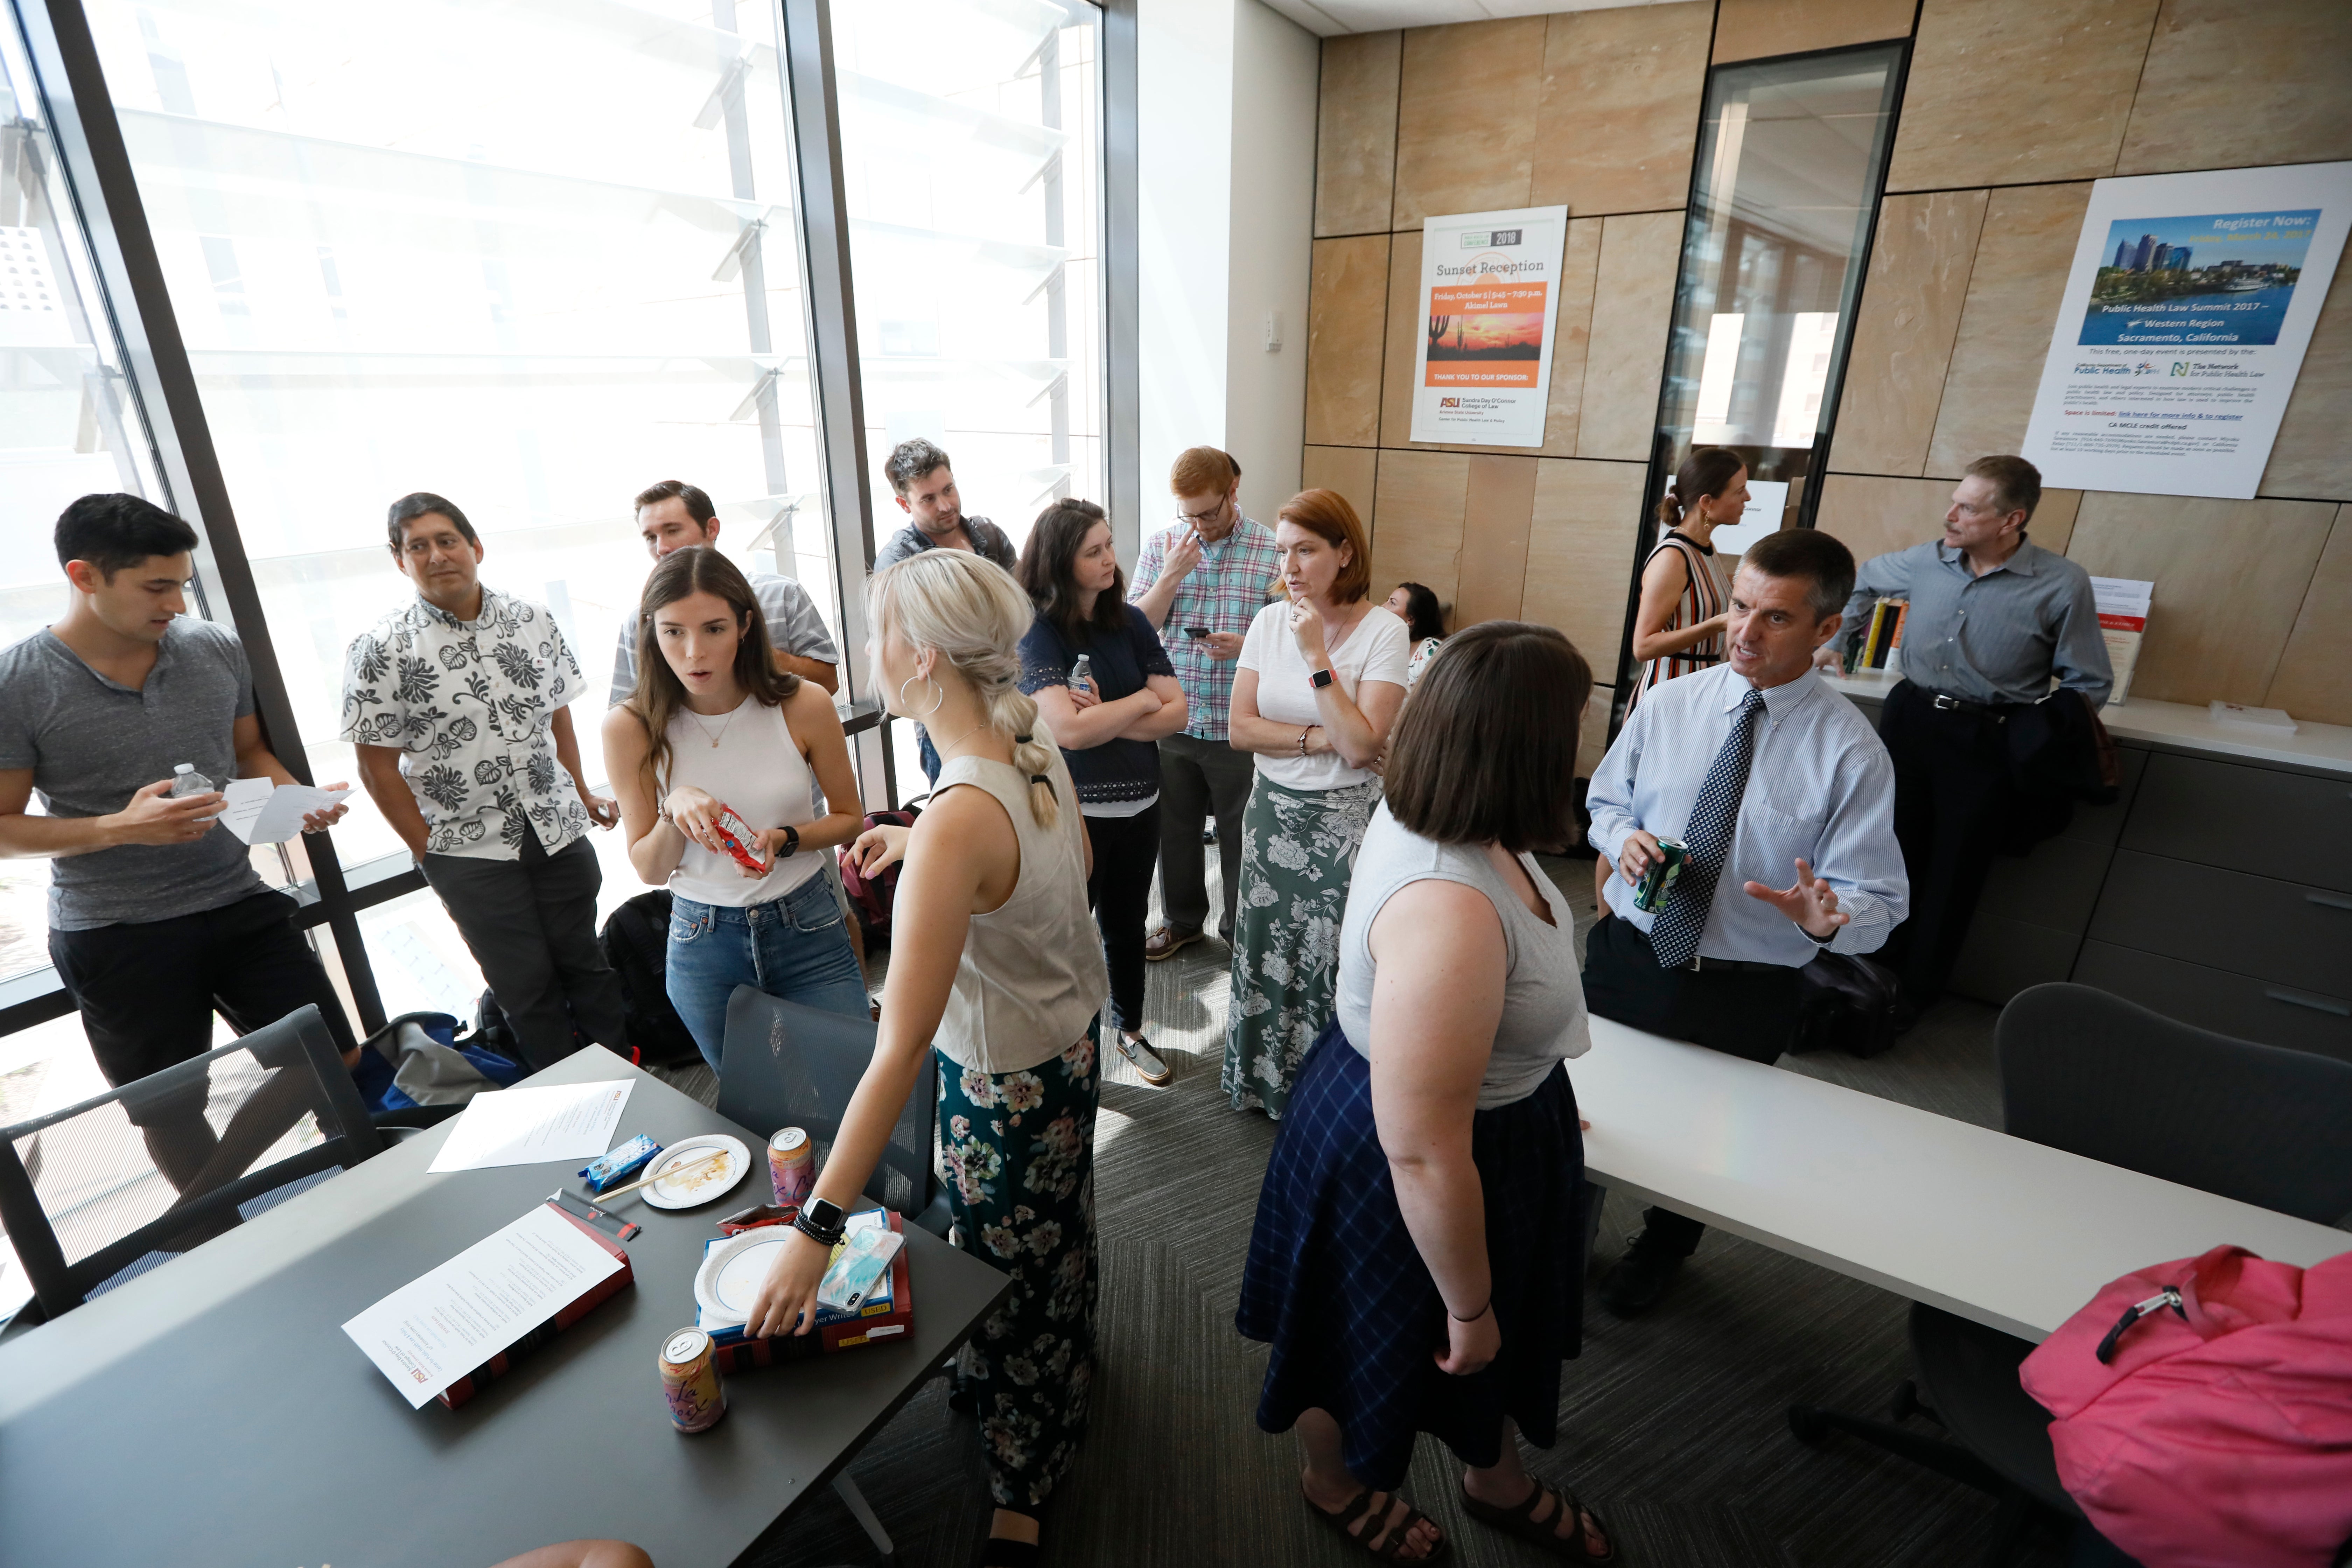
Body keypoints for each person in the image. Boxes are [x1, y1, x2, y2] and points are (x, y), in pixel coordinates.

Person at [744, 549, 1107, 1568]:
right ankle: (1064, 1374)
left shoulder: (954, 820)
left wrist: (817, 1225)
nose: (868, 651)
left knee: (1001, 1268)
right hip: (1067, 1046)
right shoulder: (1023, 731)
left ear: (925, 658)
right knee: (1056, 1239)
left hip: (1001, 1085)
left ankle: (1024, 1473)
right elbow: (1068, 864)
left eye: (878, 632)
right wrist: (934, 857)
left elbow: (897, 1048)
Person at [1238, 621, 1615, 1566]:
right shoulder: (1446, 902)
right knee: (1365, 1333)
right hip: (1410, 1153)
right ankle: (1333, 1483)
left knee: (1465, 1335)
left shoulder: (1462, 818)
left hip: (1476, 1121)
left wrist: (1533, 1088)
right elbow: (1421, 1149)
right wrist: (1471, 1302)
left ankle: (1494, 1477)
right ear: (1528, 745)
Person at [1583, 527, 1907, 1317]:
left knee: (1707, 1140)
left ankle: (1665, 1244)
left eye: (1776, 619)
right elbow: (1605, 800)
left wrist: (1829, 919)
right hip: (1629, 954)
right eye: (1738, 607)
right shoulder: (1668, 704)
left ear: (1827, 628)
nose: (1745, 633)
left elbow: (1881, 901)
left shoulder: (1851, 753)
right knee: (1583, 1105)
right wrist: (1624, 840)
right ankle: (1562, 1225)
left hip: (1746, 983)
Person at [0, 494, 356, 1198]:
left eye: (182, 582)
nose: (175, 601)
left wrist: (296, 798)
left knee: (331, 1055)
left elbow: (248, 750)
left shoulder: (213, 646)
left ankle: (194, 1211)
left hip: (235, 895)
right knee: (170, 1108)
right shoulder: (19, 682)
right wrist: (118, 826)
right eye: (155, 586)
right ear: (85, 575)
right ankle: (214, 1230)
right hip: (115, 928)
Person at [1816, 455, 2111, 1018]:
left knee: (1954, 873)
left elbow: (2089, 682)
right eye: (1954, 501)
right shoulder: (1927, 561)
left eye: (1968, 508)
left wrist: (2037, 735)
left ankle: (1911, 998)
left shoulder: (2060, 583)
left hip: (1987, 739)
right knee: (1880, 854)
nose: (1950, 515)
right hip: (1911, 720)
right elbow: (1862, 580)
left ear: (2011, 520)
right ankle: (1854, 975)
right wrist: (1840, 641)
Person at [342, 492, 627, 1072]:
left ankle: (631, 1084)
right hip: (467, 850)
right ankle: (576, 1111)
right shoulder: (380, 649)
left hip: (557, 828)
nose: (436, 555)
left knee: (588, 966)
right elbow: (375, 767)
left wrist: (581, 791)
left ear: (475, 547)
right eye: (417, 546)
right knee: (527, 991)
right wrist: (430, 853)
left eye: (447, 540)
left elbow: (559, 715)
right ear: (400, 561)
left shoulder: (533, 619)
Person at [601, 547, 868, 1071]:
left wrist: (783, 839)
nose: (694, 652)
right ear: (650, 630)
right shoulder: (629, 726)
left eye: (714, 629)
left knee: (853, 1083)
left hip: (806, 919)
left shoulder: (802, 702)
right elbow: (652, 869)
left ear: (746, 624)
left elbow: (849, 819)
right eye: (673, 631)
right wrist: (673, 809)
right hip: (704, 940)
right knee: (756, 1104)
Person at [1221, 489, 1409, 1121]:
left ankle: (1325, 1098)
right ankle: (1261, 1082)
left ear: (1345, 552)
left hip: (1345, 821)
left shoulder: (1386, 631)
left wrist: (1317, 659)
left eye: (1306, 550)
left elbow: (1362, 749)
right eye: (1283, 552)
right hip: (1271, 808)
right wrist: (1317, 738)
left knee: (1332, 955)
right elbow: (1239, 730)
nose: (1290, 568)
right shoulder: (1266, 621)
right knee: (1263, 943)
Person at [1016, 499, 1189, 1086]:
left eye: (1110, 545)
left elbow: (1178, 711)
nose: (1111, 559)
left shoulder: (1133, 622)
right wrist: (1143, 701)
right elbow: (1068, 731)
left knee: (1127, 922)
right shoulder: (1038, 632)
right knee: (1066, 932)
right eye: (1094, 552)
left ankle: (1130, 1029)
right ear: (1062, 563)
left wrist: (1119, 711)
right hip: (1078, 814)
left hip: (1142, 804)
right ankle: (1065, 1043)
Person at [1127, 446, 1281, 963]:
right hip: (1175, 717)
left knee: (1243, 836)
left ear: (1233, 492)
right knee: (1174, 832)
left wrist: (1247, 648)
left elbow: (1292, 637)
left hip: (1240, 723)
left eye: (1209, 512)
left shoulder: (1270, 549)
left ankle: (1241, 930)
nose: (1200, 524)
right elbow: (1134, 632)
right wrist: (1170, 574)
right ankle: (1182, 922)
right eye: (1188, 514)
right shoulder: (1162, 546)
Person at [608, 479, 839, 705]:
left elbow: (829, 683)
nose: (661, 548)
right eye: (651, 537)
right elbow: (630, 713)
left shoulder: (782, 595)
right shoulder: (638, 622)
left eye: (673, 530)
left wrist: (757, 652)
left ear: (712, 529)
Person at [871, 438, 1018, 785]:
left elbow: (1024, 608)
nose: (946, 505)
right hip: (949, 711)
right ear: (903, 504)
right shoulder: (898, 563)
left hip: (1010, 694)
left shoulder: (988, 535)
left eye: (948, 489)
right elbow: (908, 651)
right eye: (928, 499)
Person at [1383, 581, 1446, 688]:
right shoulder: (1387, 641)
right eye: (1387, 601)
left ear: (1411, 619)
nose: (1383, 607)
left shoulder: (1431, 652)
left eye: (1392, 603)